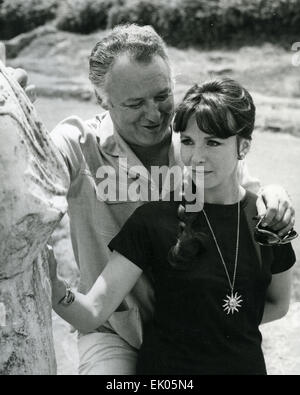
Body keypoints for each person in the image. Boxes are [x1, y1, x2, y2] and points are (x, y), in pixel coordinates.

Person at [12, 24, 295, 374]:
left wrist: (274, 193)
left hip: (195, 324)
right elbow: (23, 172)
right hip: (113, 327)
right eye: (134, 103)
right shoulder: (75, 143)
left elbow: (245, 199)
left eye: (162, 96)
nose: (155, 114)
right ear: (102, 98)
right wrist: (14, 121)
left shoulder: (194, 141)